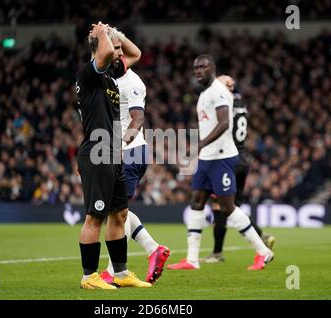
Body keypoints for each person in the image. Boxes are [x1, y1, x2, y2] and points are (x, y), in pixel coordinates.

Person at [167, 55, 274, 271]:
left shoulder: (218, 91)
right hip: (207, 158)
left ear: (212, 68)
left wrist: (201, 144)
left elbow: (225, 123)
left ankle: (263, 252)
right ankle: (192, 259)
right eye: (195, 67)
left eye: (203, 67)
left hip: (222, 157)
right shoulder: (206, 93)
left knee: (227, 207)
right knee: (197, 202)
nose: (198, 71)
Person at [75, 22, 150, 289]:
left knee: (119, 214)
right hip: (97, 152)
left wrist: (115, 34)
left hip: (113, 151)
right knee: (95, 217)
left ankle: (121, 273)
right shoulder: (90, 75)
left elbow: (135, 53)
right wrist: (103, 34)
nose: (120, 54)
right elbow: (107, 51)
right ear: (99, 51)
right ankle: (89, 277)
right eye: (114, 50)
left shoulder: (110, 76)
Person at [100, 57, 170, 285]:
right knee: (118, 212)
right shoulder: (108, 80)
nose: (117, 56)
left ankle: (114, 272)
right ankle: (153, 250)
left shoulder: (132, 82)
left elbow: (138, 118)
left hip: (130, 152)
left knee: (116, 213)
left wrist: (119, 147)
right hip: (124, 151)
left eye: (120, 50)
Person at [200, 75, 275, 264]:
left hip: (228, 157)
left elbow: (220, 125)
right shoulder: (240, 102)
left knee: (221, 205)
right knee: (233, 207)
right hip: (243, 158)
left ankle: (217, 253)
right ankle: (261, 235)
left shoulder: (224, 101)